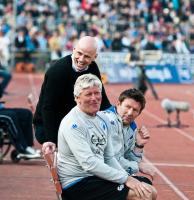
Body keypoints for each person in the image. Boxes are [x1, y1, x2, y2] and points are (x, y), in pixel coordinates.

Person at [57, 74, 157, 200]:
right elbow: (89, 164)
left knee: (146, 186)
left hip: (95, 177)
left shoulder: (101, 119)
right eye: (88, 94)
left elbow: (109, 157)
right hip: (78, 183)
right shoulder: (73, 124)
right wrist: (126, 178)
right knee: (145, 194)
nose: (94, 98)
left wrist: (127, 178)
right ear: (77, 98)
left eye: (97, 93)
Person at [33, 36, 111, 146]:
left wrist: (117, 117)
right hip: (51, 125)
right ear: (73, 49)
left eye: (87, 56)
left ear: (95, 57)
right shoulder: (57, 71)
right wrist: (51, 139)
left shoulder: (93, 68)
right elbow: (48, 107)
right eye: (79, 53)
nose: (81, 59)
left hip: (77, 122)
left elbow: (102, 99)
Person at [103, 88, 155, 180]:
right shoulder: (108, 120)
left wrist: (139, 145)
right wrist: (137, 166)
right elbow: (112, 159)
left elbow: (129, 159)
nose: (130, 113)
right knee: (146, 190)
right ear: (118, 104)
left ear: (139, 113)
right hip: (95, 174)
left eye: (135, 110)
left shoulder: (131, 126)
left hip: (111, 173)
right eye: (127, 107)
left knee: (145, 184)